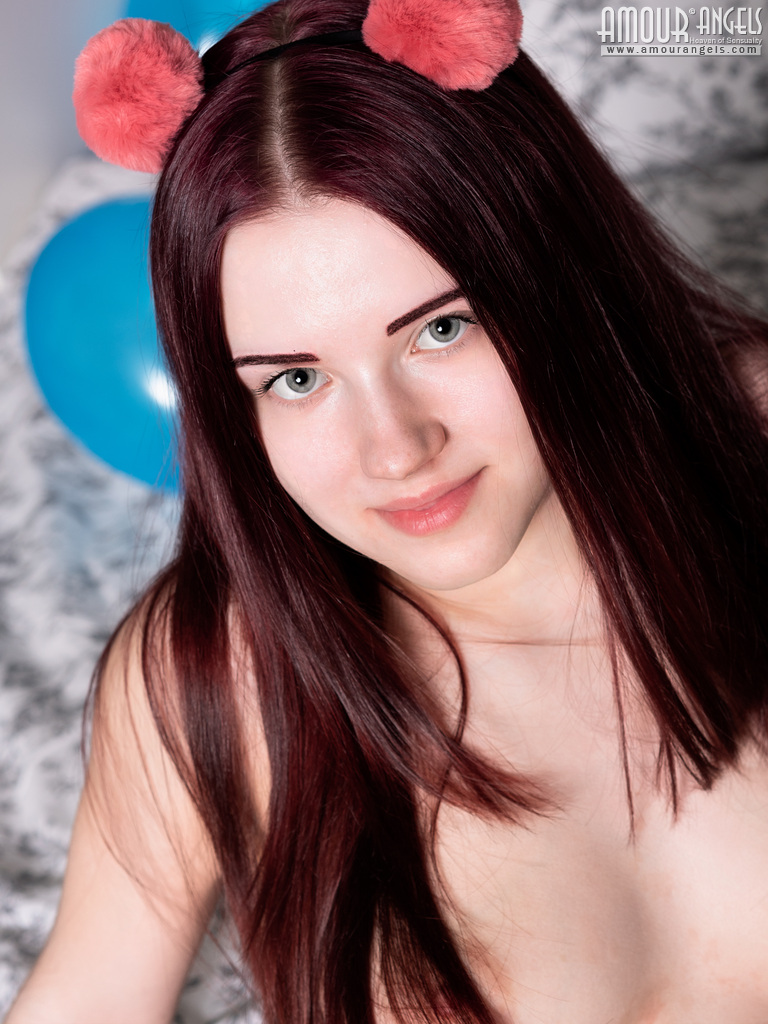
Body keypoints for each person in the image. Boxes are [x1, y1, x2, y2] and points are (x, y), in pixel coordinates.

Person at [6, 0, 768, 1021]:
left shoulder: (748, 446)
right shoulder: (219, 676)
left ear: (554, 269)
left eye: (441, 329)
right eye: (296, 380)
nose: (396, 450)